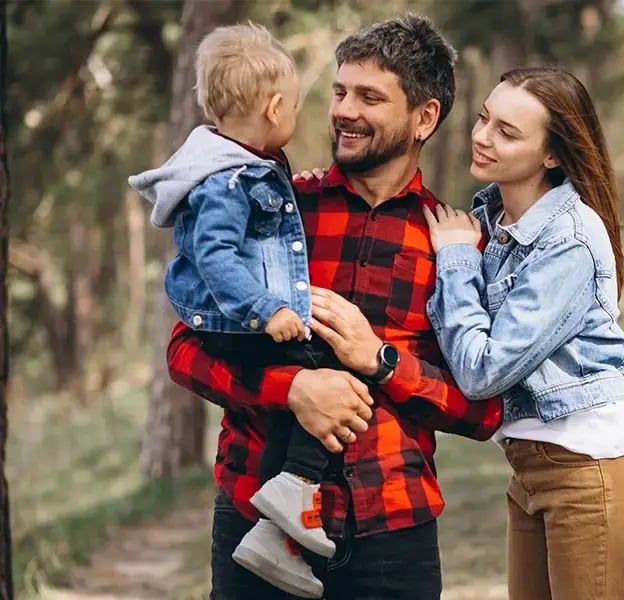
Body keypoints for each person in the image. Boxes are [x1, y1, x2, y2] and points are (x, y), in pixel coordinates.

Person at [164, 13, 503, 600]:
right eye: (340, 91)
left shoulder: (453, 245)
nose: (344, 110)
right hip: (253, 519)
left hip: (392, 538)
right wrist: (291, 388)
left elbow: (483, 410)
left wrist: (382, 361)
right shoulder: (275, 211)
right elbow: (185, 349)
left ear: (424, 117)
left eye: (370, 97)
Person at [423, 67, 624, 600]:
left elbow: (483, 369)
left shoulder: (569, 240)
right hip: (533, 472)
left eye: (508, 132)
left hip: (593, 475)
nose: (483, 136)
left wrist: (458, 261)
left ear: (552, 154)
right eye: (485, 118)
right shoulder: (493, 227)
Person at [128, 23, 353, 598]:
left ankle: (279, 526)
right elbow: (217, 255)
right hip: (236, 319)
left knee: (305, 391)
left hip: (233, 317)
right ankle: (295, 490)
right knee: (327, 364)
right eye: (298, 106)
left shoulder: (238, 163)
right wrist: (264, 308)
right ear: (275, 107)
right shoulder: (228, 179)